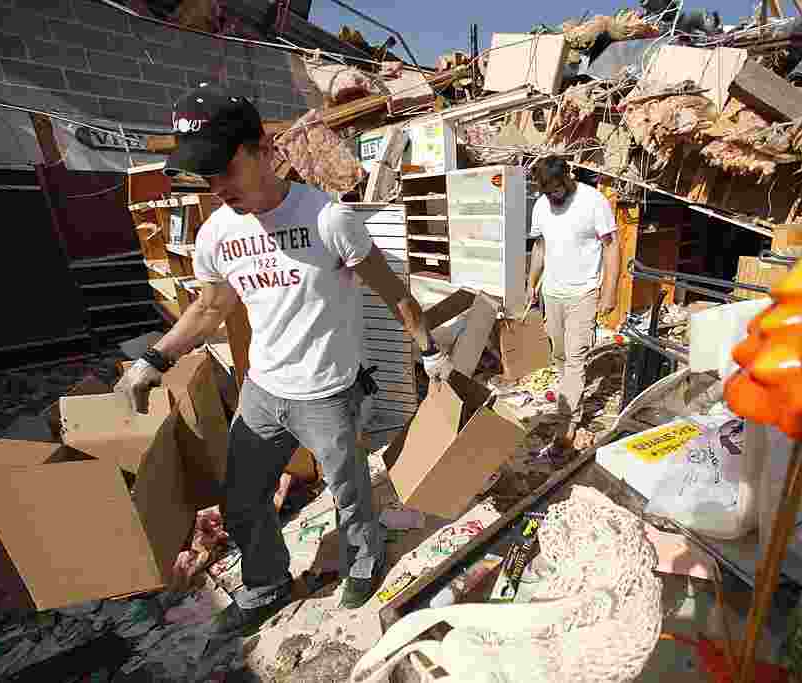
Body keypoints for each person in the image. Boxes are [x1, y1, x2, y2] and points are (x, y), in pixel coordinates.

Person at [115, 85, 448, 635]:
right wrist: (153, 359)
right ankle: (267, 582)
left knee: (350, 494)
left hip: (328, 394)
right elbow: (209, 309)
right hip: (262, 393)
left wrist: (429, 352)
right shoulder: (217, 232)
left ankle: (365, 564)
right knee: (244, 501)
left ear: (263, 149)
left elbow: (396, 295)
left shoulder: (329, 220)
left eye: (225, 168)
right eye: (205, 173)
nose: (217, 186)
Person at [526, 157, 619, 459]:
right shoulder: (541, 205)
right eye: (547, 191)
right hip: (552, 294)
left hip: (584, 293)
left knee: (576, 359)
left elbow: (612, 245)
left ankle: (566, 427)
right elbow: (540, 246)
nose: (554, 195)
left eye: (557, 188)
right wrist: (532, 281)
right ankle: (570, 403)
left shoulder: (594, 202)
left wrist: (610, 291)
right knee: (560, 357)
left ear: (568, 176)